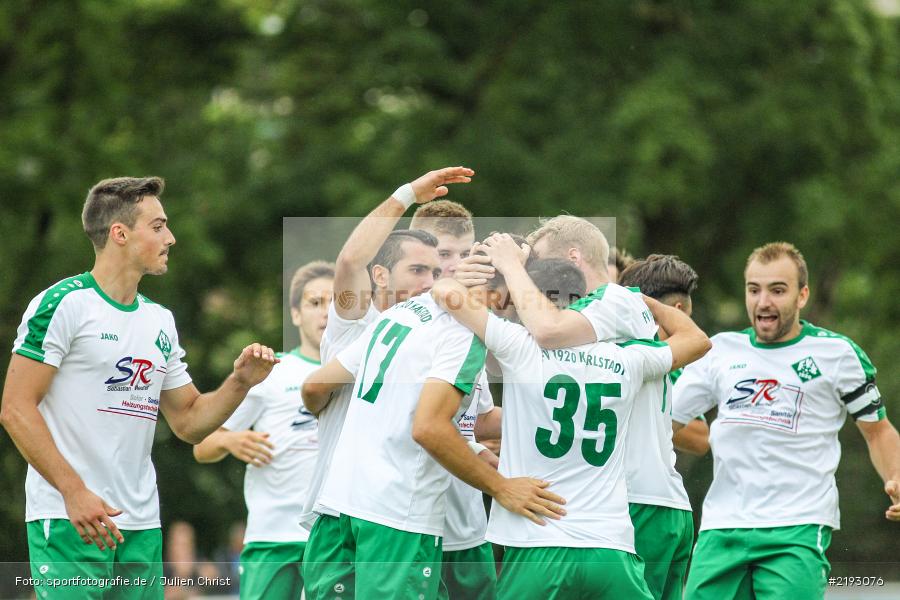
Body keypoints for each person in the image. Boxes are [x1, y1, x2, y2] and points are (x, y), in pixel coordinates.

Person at [0, 177, 277, 600]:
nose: (171, 237)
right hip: (71, 518)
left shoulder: (159, 319)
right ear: (120, 233)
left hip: (141, 525)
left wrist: (240, 382)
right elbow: (16, 409)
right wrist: (74, 492)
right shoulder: (64, 304)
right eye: (159, 226)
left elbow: (188, 421)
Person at [431, 257, 711, 599]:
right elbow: (697, 339)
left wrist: (508, 264)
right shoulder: (629, 358)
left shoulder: (520, 346)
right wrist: (636, 298)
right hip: (611, 549)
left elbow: (445, 292)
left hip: (539, 542)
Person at [302, 283, 565, 600]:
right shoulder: (466, 333)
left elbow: (315, 388)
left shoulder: (400, 313)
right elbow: (429, 428)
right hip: (396, 517)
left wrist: (547, 420)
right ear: (507, 293)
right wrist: (501, 487)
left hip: (339, 507)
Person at [672, 242, 900, 600]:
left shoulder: (837, 354)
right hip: (721, 529)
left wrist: (896, 476)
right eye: (754, 290)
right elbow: (664, 423)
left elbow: (877, 431)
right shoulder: (718, 351)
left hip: (796, 528)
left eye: (778, 290)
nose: (764, 302)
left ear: (802, 295)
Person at [299, 167, 475, 600]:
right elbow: (349, 261)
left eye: (460, 257)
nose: (444, 272)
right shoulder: (359, 321)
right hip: (345, 510)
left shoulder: (456, 333)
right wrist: (408, 193)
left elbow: (474, 421)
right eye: (431, 262)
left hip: (428, 520)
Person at [193, 261, 335, 599]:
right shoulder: (273, 373)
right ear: (296, 314)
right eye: (315, 303)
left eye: (336, 302)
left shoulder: (361, 375)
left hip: (336, 538)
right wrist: (230, 439)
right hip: (274, 536)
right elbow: (201, 444)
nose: (326, 313)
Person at [411, 201, 500, 600]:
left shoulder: (470, 327)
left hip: (468, 528)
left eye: (466, 253)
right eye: (444, 254)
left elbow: (473, 419)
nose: (457, 264)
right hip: (412, 527)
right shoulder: (402, 323)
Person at [619, 254, 710, 456]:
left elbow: (699, 437)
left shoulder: (598, 351)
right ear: (677, 311)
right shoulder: (669, 361)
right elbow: (700, 439)